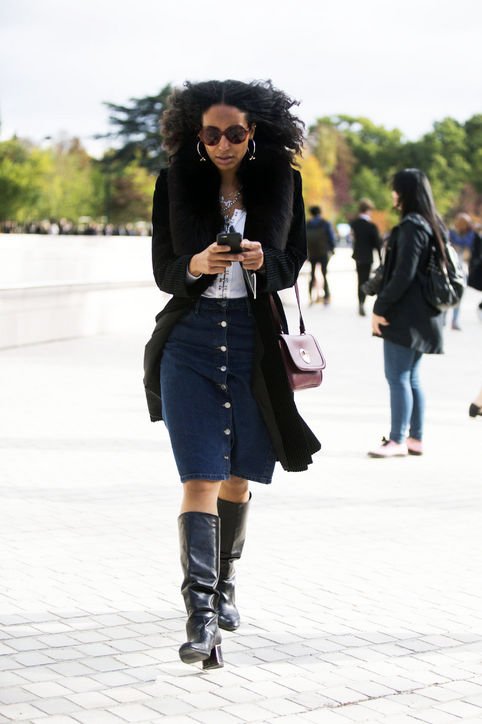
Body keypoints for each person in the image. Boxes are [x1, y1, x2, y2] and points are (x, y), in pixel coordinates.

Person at [143, 80, 321, 669]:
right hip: (190, 341)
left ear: (254, 134)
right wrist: (195, 263)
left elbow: (292, 261)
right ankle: (199, 616)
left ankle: (224, 584)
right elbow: (165, 272)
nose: (223, 144)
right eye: (212, 133)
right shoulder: (173, 183)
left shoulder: (282, 184)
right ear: (196, 134)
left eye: (235, 134)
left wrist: (264, 259)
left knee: (237, 477)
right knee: (199, 473)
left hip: (252, 343)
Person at [368, 169, 444, 458]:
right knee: (411, 377)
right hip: (424, 314)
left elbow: (403, 274)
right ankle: (415, 438)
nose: (392, 194)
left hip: (404, 315)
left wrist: (379, 307)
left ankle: (397, 440)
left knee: (397, 377)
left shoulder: (412, 226)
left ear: (405, 193)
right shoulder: (432, 223)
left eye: (395, 188)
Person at [350, 198, 382, 316]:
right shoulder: (371, 226)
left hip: (358, 256)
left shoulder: (355, 224)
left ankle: (360, 302)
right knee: (366, 279)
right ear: (368, 210)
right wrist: (380, 257)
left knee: (360, 279)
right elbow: (377, 243)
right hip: (368, 256)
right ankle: (363, 302)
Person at [447, 213, 474, 330]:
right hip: (451, 267)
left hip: (463, 268)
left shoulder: (469, 234)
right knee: (446, 293)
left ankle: (454, 320)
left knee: (458, 296)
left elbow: (467, 245)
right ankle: (445, 319)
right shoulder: (451, 233)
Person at [306, 205, 336, 304]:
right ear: (319, 212)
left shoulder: (308, 224)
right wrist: (332, 249)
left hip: (312, 252)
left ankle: (310, 296)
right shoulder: (325, 223)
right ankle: (326, 297)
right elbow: (331, 237)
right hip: (323, 252)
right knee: (324, 273)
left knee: (312, 273)